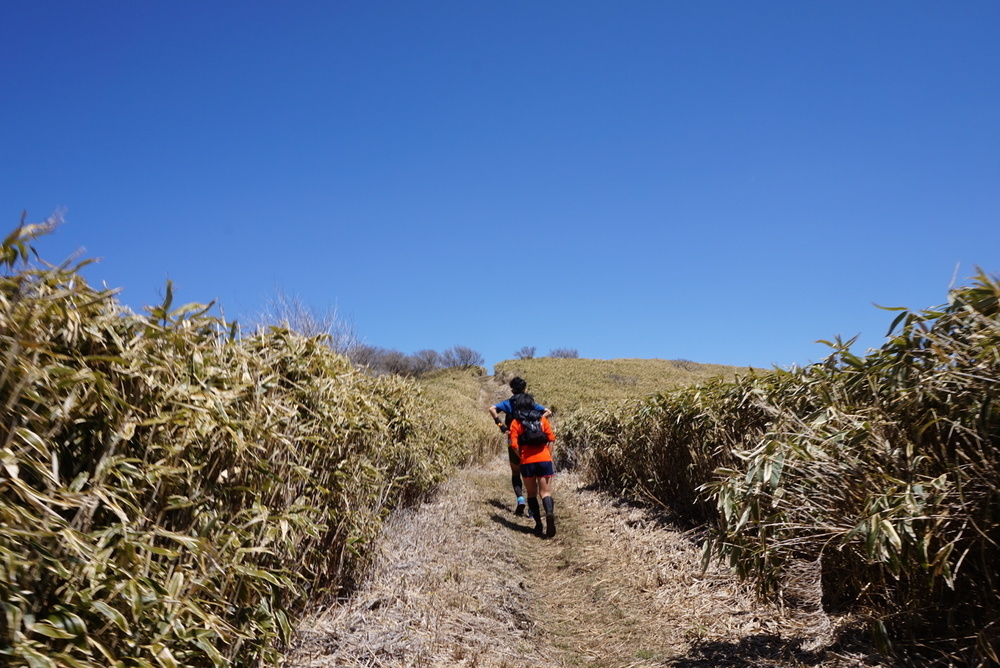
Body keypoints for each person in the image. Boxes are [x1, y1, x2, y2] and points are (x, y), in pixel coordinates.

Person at [488, 377, 551, 516]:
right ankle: (532, 510)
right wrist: (539, 422)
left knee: (516, 472)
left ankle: (520, 499)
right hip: (531, 443)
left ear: (512, 389)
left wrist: (501, 426)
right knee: (532, 477)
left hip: (514, 441)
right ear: (525, 388)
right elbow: (548, 411)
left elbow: (492, 409)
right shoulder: (530, 403)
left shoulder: (509, 403)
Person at [508, 391, 557, 537]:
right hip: (544, 459)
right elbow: (551, 439)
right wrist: (549, 455)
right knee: (545, 492)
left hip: (527, 462)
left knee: (531, 493)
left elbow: (514, 445)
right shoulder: (542, 420)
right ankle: (549, 512)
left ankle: (538, 524)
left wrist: (522, 457)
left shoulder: (516, 423)